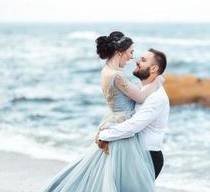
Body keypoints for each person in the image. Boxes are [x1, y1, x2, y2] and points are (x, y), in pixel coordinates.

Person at [43, 31, 163, 192]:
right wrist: (157, 82)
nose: (131, 57)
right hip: (123, 123)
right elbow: (141, 98)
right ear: (120, 52)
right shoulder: (117, 76)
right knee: (124, 176)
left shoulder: (105, 71)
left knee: (105, 170)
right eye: (131, 52)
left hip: (113, 119)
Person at [97, 48, 170, 179]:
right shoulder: (142, 90)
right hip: (136, 153)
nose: (137, 62)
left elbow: (134, 125)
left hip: (149, 156)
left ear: (153, 68)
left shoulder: (157, 97)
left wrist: (105, 134)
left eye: (143, 60)